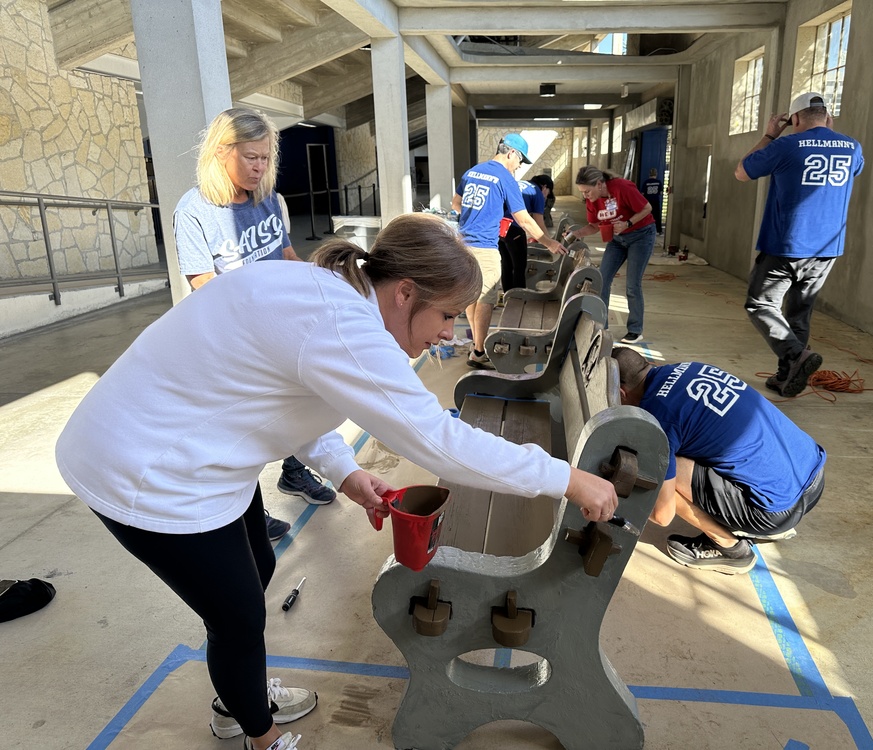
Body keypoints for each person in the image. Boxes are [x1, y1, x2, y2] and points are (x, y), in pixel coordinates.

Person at [55, 213, 619, 750]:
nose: (448, 334)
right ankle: (256, 731)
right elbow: (435, 440)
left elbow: (291, 396)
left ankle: (238, 694)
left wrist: (347, 473)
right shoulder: (341, 323)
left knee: (260, 569)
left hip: (195, 453)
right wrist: (564, 479)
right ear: (404, 292)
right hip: (145, 470)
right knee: (237, 615)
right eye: (446, 314)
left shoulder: (331, 296)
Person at [173, 108, 336, 535]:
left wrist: (321, 286)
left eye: (265, 158)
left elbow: (286, 255)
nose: (260, 166)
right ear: (220, 151)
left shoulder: (266, 198)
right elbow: (204, 285)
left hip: (280, 325)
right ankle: (245, 514)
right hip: (236, 339)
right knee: (241, 434)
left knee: (304, 401)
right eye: (251, 157)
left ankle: (294, 471)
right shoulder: (194, 210)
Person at [612, 347, 826, 575]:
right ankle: (754, 521)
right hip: (814, 476)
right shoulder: (689, 367)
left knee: (657, 468)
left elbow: (663, 516)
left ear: (622, 393)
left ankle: (729, 548)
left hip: (777, 510)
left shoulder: (658, 415)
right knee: (690, 441)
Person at [735, 92, 865, 397]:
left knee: (760, 303)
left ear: (794, 119)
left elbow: (742, 172)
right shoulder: (852, 146)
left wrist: (769, 134)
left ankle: (796, 355)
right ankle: (788, 377)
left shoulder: (786, 144)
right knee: (799, 313)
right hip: (827, 248)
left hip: (787, 243)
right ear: (827, 117)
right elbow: (852, 170)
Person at [451, 133, 567, 369]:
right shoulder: (505, 177)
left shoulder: (472, 171)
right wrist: (549, 242)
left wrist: (480, 216)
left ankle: (477, 347)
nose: (518, 167)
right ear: (511, 153)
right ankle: (479, 352)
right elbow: (523, 219)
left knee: (473, 298)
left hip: (463, 244)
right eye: (520, 161)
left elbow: (456, 203)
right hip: (484, 247)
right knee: (485, 299)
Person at [566, 165, 656, 344]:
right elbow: (593, 226)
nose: (585, 195)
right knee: (602, 280)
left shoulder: (622, 187)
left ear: (599, 184)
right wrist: (575, 233)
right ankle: (601, 326)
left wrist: (628, 223)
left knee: (632, 284)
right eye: (582, 192)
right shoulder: (592, 200)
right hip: (617, 240)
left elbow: (647, 208)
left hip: (641, 235)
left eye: (587, 191)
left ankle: (635, 330)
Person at [498, 174, 552, 292]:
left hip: (499, 226)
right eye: (548, 192)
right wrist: (550, 242)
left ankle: (507, 295)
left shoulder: (519, 183)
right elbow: (539, 222)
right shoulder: (536, 192)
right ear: (544, 187)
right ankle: (518, 297)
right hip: (515, 228)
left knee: (506, 264)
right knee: (519, 266)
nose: (546, 196)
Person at [642, 167, 664, 235]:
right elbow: (661, 193)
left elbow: (642, 193)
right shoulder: (658, 182)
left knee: (646, 216)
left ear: (649, 174)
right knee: (657, 216)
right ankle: (659, 230)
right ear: (656, 174)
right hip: (656, 201)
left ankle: (645, 230)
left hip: (648, 202)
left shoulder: (646, 182)